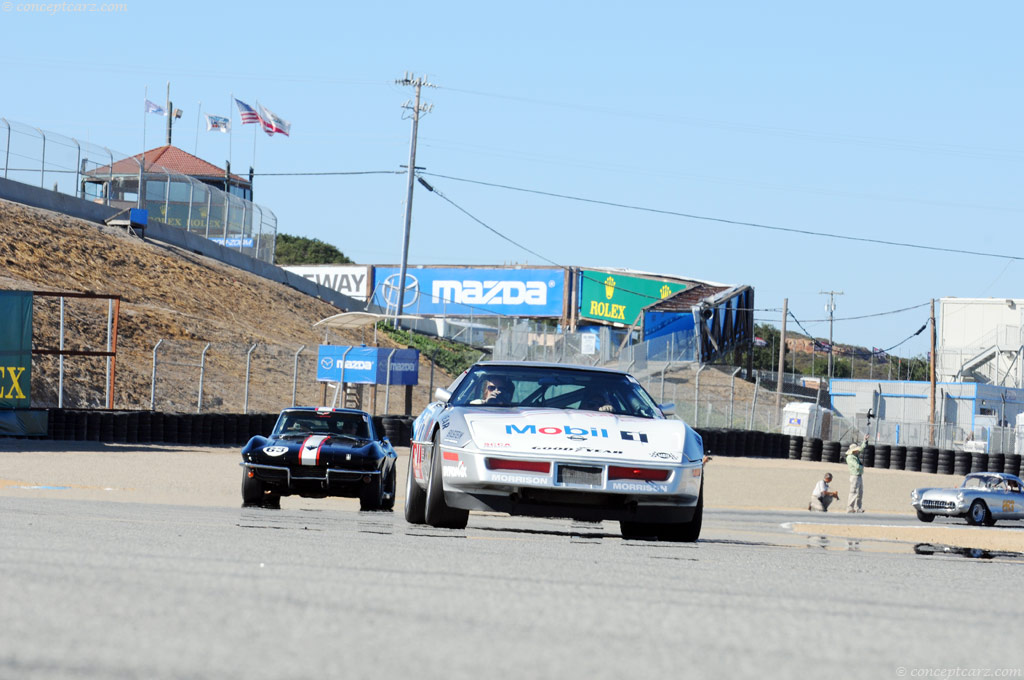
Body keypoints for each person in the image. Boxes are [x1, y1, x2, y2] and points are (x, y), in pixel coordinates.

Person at [846, 439, 866, 513]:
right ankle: (850, 507)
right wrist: (862, 466)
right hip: (854, 476)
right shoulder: (850, 457)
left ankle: (858, 507)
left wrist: (865, 441)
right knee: (853, 492)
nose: (858, 451)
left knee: (860, 492)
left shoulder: (855, 455)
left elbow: (862, 448)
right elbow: (856, 466)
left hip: (859, 476)